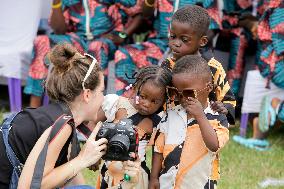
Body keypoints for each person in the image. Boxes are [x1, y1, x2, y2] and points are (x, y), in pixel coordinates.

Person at [0, 43, 139, 189]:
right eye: (101, 92)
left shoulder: (61, 119)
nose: (103, 99)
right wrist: (83, 159)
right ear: (87, 94)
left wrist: (126, 178)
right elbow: (28, 186)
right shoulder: (62, 125)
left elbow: (72, 180)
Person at [24, 0, 142, 108]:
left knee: (96, 46)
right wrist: (57, 3)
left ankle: (93, 110)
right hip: (78, 39)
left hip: (106, 38)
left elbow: (138, 13)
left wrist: (124, 34)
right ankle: (34, 108)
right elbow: (59, 30)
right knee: (41, 41)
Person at [149, 55, 229, 189]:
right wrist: (153, 178)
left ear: (208, 87)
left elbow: (214, 146)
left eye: (189, 92)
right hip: (167, 184)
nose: (183, 98)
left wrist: (200, 116)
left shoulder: (217, 118)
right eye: (176, 93)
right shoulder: (170, 115)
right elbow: (159, 149)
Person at [114, 0, 222, 96]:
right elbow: (146, 15)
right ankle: (127, 105)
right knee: (123, 53)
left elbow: (212, 28)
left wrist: (189, 46)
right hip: (160, 44)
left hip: (188, 46)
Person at [95, 65, 172, 189]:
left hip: (134, 176)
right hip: (109, 171)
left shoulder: (157, 123)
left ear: (163, 101)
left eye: (154, 101)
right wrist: (95, 155)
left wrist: (153, 178)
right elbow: (95, 127)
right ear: (135, 87)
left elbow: (157, 153)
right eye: (143, 97)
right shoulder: (116, 103)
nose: (146, 104)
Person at [159, 5, 236, 125]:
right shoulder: (168, 64)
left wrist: (224, 107)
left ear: (203, 41)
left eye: (184, 39)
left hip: (204, 126)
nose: (176, 43)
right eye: (173, 37)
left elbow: (228, 99)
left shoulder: (213, 67)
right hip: (172, 123)